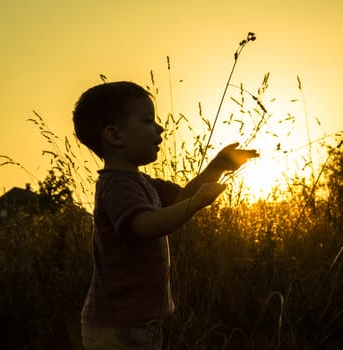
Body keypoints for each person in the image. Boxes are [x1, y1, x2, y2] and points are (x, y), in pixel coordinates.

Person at [73, 81, 259, 350]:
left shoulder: (142, 182)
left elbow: (182, 196)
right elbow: (147, 225)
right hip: (116, 328)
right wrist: (197, 202)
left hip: (138, 323)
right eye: (148, 120)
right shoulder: (115, 185)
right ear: (115, 136)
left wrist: (217, 166)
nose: (159, 128)